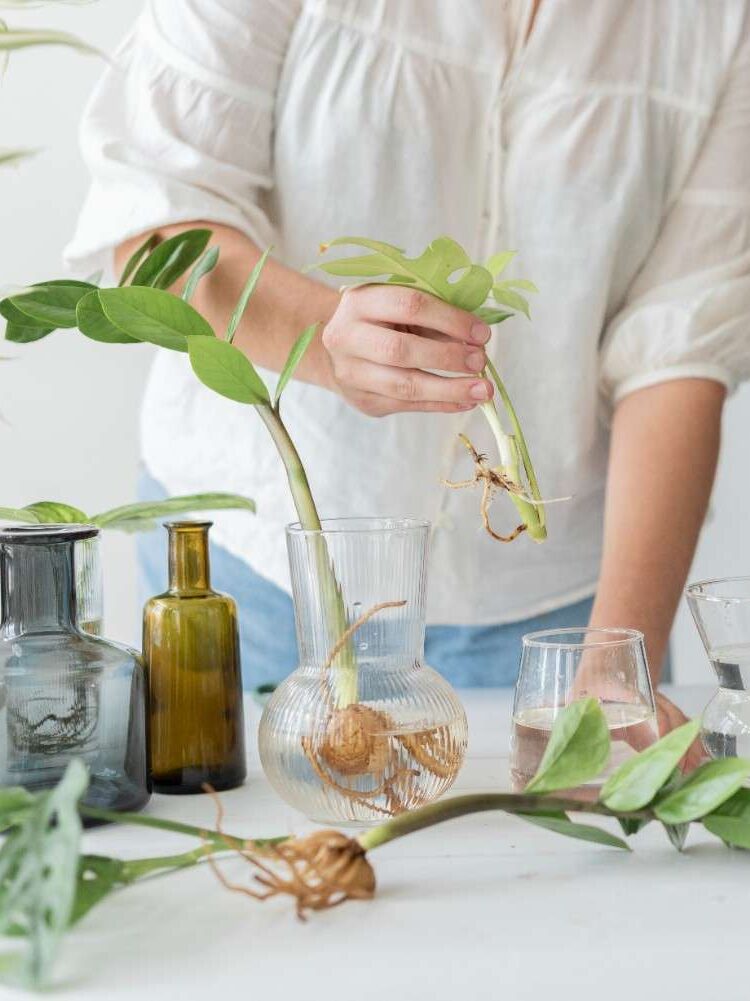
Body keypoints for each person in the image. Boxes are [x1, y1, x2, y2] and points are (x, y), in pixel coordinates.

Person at [67, 1, 750, 737]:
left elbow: (680, 347)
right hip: (259, 575)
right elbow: (154, 225)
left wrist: (619, 660)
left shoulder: (714, 21)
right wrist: (325, 336)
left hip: (562, 618)